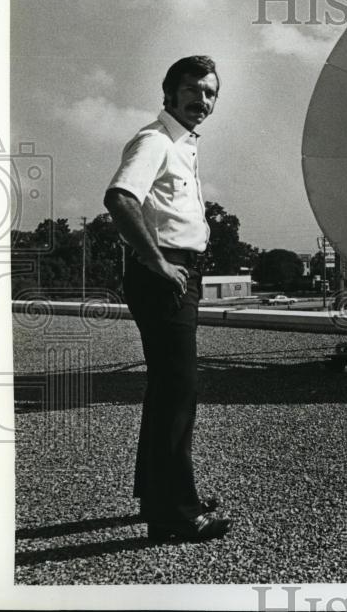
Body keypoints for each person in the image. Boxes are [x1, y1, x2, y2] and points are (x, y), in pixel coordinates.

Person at [104, 55, 230, 542]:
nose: (202, 100)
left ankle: (159, 497)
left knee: (168, 391)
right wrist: (157, 262)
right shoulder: (154, 140)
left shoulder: (184, 145)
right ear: (171, 93)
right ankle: (175, 515)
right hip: (164, 277)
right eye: (193, 91)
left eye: (210, 93)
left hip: (177, 273)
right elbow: (119, 198)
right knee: (178, 391)